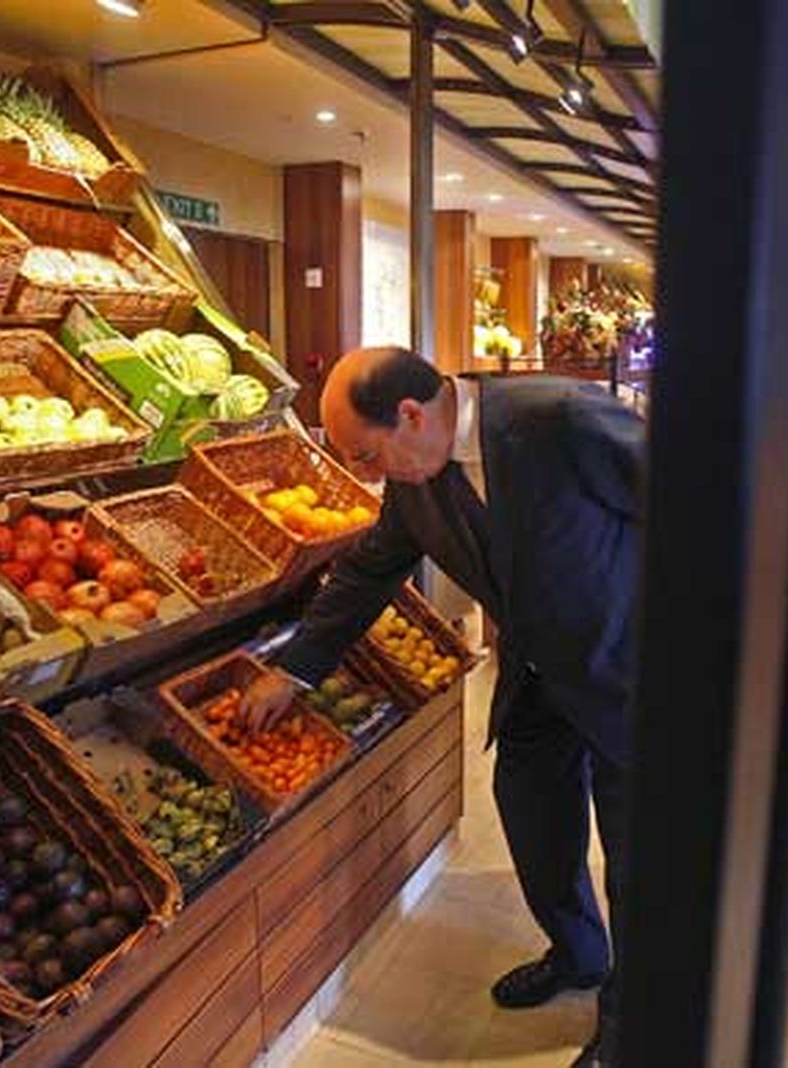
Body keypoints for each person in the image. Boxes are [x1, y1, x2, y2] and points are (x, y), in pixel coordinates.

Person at [241, 347, 644, 1068]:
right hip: (535, 675)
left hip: (627, 670)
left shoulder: (562, 418)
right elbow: (366, 573)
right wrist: (294, 672)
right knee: (533, 816)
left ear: (410, 414)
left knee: (639, 859)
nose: (367, 474)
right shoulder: (416, 483)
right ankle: (579, 954)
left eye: (366, 455)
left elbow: (693, 511)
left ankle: (629, 1023)